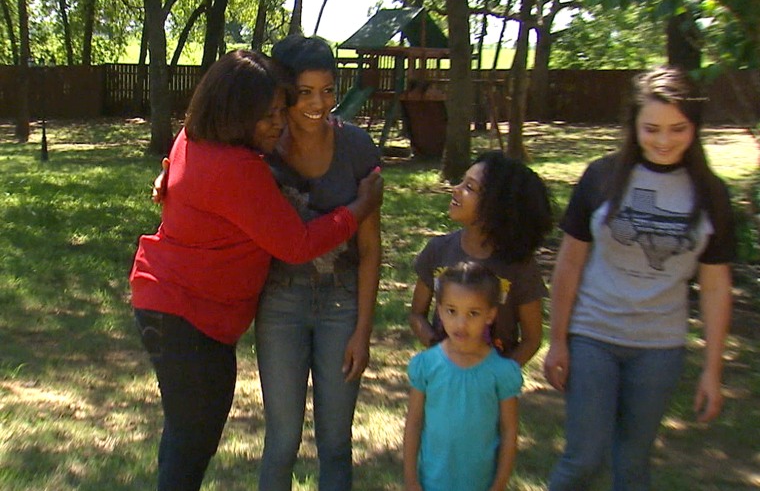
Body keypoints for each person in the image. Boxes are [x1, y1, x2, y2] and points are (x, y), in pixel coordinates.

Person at [129, 49, 382, 491]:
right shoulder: (239, 167)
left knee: (185, 435)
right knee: (193, 441)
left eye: (278, 112)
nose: (277, 124)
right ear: (236, 114)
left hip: (172, 303)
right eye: (268, 116)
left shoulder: (197, 137)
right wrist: (358, 208)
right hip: (190, 314)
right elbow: (296, 243)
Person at [543, 66, 735, 490]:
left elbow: (716, 286)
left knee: (633, 464)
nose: (664, 141)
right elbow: (569, 264)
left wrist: (712, 370)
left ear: (695, 127)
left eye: (678, 129)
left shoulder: (712, 194)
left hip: (659, 347)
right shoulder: (601, 177)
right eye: (651, 128)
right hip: (593, 334)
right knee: (584, 458)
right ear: (633, 125)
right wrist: (557, 339)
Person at [254, 35, 382, 491]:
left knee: (334, 442)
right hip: (279, 304)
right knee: (282, 440)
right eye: (305, 92)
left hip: (340, 306)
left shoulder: (357, 147)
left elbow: (370, 249)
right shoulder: (262, 148)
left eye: (328, 90)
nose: (319, 103)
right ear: (286, 93)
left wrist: (363, 330)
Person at [408, 151, 553, 367]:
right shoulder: (438, 250)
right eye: (461, 182)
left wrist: (499, 376)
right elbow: (416, 315)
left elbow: (532, 339)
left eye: (469, 187)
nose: (455, 190)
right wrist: (439, 352)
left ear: (497, 205)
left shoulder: (519, 265)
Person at [403, 261, 523, 491]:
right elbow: (414, 422)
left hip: (480, 483)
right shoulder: (426, 366)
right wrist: (411, 480)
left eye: (473, 313)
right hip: (431, 483)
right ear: (439, 310)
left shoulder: (501, 372)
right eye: (451, 311)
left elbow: (509, 431)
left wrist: (499, 485)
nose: (461, 323)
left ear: (490, 315)